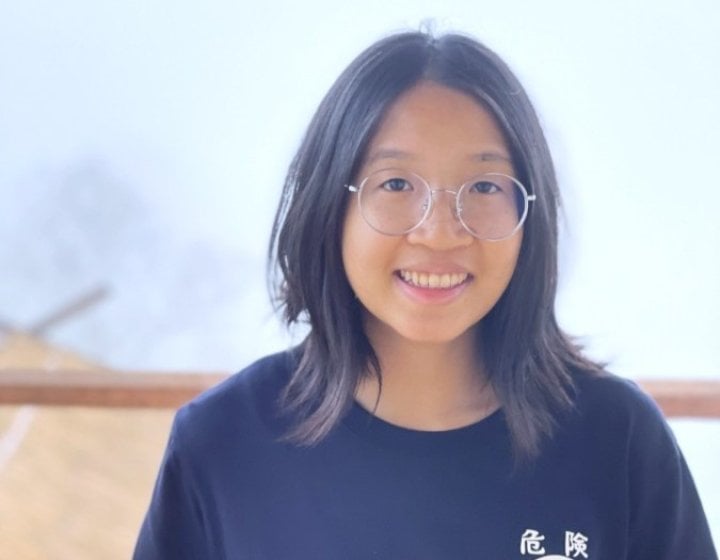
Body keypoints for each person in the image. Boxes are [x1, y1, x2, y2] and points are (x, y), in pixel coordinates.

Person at [133, 30, 717, 559]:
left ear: (529, 214)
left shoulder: (617, 439)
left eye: (485, 185)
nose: (439, 231)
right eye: (395, 184)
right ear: (329, 205)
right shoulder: (223, 443)